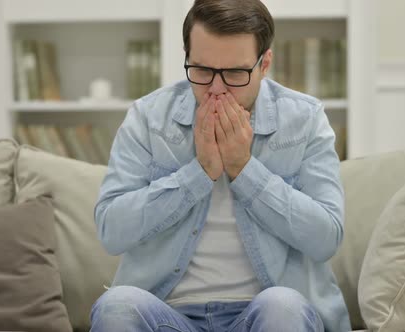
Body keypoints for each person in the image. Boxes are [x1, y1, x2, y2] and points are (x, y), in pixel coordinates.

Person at [90, 0, 350, 331]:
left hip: (266, 314)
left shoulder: (305, 119)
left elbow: (326, 238)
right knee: (117, 305)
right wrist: (198, 173)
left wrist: (244, 169)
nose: (216, 89)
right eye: (201, 70)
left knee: (281, 305)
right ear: (187, 57)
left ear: (264, 63)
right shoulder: (148, 118)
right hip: (171, 315)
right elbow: (111, 231)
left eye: (235, 73)